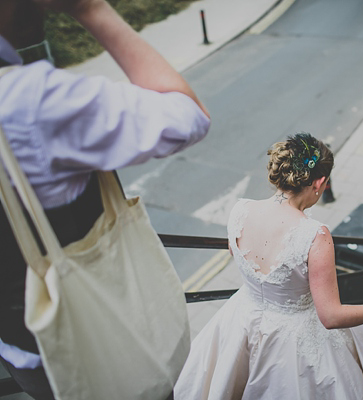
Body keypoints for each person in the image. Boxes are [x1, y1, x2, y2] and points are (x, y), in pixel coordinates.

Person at [0, 0, 211, 398]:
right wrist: (92, 9)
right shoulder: (26, 101)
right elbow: (189, 116)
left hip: (21, 353)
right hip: (100, 348)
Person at [174, 133, 363, 400]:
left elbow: (237, 252)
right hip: (294, 343)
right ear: (320, 182)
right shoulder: (315, 235)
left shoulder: (240, 211)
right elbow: (331, 316)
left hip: (241, 320)